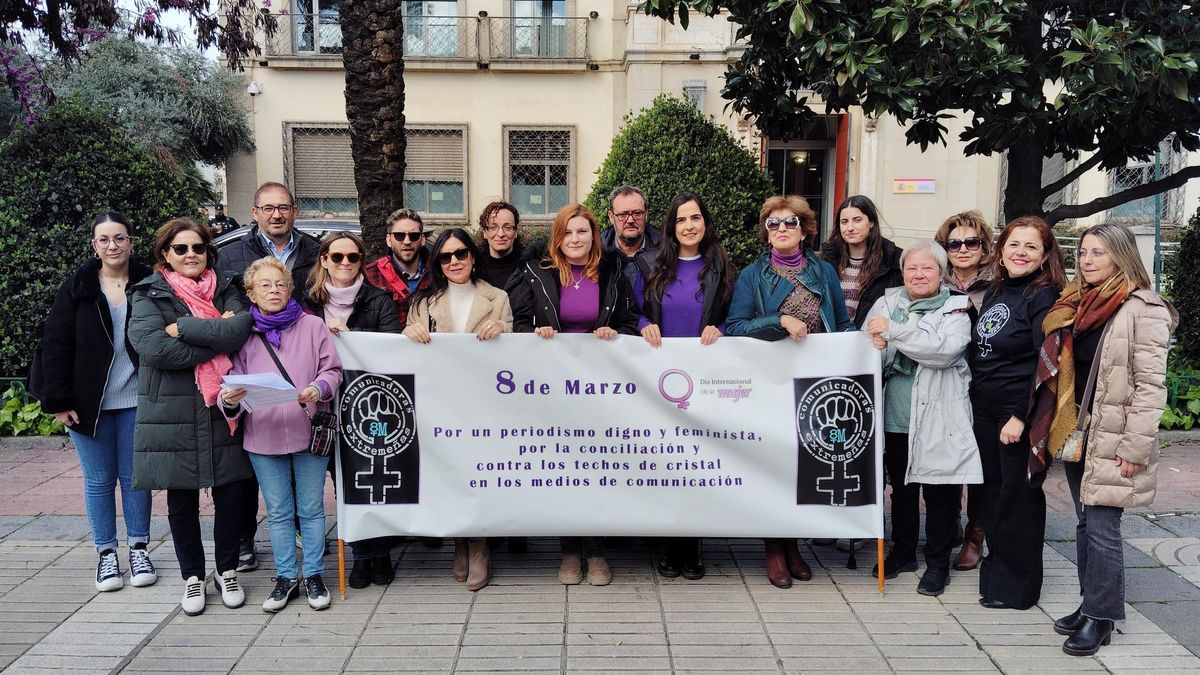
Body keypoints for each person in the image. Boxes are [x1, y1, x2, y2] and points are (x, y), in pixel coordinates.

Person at [1027, 224, 1175, 655]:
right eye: (1084, 252)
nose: (1087, 260)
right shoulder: (1077, 302)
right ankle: (1091, 604)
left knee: (1104, 528)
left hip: (1115, 435)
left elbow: (1151, 387)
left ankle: (1102, 618)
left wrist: (1134, 448)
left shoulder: (1144, 309)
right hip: (1078, 430)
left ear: (1122, 257)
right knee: (1086, 523)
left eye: (1098, 253)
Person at [726, 195, 855, 588]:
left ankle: (793, 543)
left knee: (803, 467)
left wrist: (867, 344)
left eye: (790, 222)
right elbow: (734, 326)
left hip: (815, 387)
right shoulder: (752, 275)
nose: (781, 229)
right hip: (770, 384)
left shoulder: (825, 272)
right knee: (773, 465)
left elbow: (842, 324)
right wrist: (779, 319)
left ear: (804, 229)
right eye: (773, 224)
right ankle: (773, 548)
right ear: (765, 231)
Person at [128, 218, 255, 616]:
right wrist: (215, 336)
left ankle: (227, 569)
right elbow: (154, 350)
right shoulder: (147, 292)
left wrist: (182, 327)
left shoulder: (229, 286)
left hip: (224, 406)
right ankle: (192, 577)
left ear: (208, 251)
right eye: (180, 249)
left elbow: (240, 331)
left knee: (233, 494)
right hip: (172, 412)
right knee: (180, 500)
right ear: (165, 254)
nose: (190, 255)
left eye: (197, 248)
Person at [509, 204, 639, 586]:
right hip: (555, 388)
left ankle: (597, 550)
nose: (575, 239)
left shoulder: (615, 273)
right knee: (564, 468)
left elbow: (630, 320)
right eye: (568, 233)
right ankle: (569, 549)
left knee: (598, 468)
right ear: (558, 238)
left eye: (582, 232)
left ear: (594, 236)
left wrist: (615, 333)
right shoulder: (538, 272)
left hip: (602, 390)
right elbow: (518, 321)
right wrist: (536, 333)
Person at [36, 212, 157, 592]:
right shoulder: (78, 287)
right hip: (88, 403)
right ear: (94, 245)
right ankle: (106, 554)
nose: (112, 246)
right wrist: (58, 400)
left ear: (131, 241)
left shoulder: (149, 282)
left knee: (135, 479)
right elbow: (55, 344)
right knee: (99, 481)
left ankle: (138, 547)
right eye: (104, 239)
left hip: (138, 397)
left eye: (119, 238)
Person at [221, 257, 343, 613]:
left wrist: (319, 388)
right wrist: (229, 399)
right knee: (277, 511)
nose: (273, 290)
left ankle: (315, 575)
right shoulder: (244, 334)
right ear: (251, 294)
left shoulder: (313, 326)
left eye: (280, 284)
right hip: (263, 435)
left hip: (308, 431)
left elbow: (332, 370)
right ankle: (286, 577)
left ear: (291, 290)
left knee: (311, 509)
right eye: (265, 285)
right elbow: (233, 382)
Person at [863, 239, 980, 596]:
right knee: (901, 489)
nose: (918, 274)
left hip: (939, 416)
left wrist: (893, 332)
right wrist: (877, 347)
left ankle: (938, 563)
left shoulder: (957, 308)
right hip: (894, 414)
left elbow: (942, 351)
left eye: (927, 268)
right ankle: (903, 552)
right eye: (911, 268)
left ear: (941, 273)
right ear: (902, 272)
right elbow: (865, 351)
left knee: (941, 492)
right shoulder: (886, 302)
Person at [217, 182, 321, 572]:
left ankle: (309, 565)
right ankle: (255, 546)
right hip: (257, 375)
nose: (276, 214)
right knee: (258, 488)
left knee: (307, 503)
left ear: (294, 210)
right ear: (255, 212)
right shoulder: (231, 253)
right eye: (267, 208)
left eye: (283, 207)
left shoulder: (314, 251)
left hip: (302, 377)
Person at [403, 228, 513, 591]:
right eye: (446, 257)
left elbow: (519, 347)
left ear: (472, 255)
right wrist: (409, 335)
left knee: (479, 474)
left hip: (484, 404)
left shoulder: (496, 297)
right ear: (437, 263)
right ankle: (459, 542)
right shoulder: (423, 303)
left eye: (461, 254)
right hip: (441, 402)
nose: (455, 262)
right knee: (450, 474)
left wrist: (504, 330)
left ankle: (479, 545)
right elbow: (406, 343)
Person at [631, 193, 733, 582]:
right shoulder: (651, 264)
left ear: (705, 222)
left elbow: (731, 314)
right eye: (680, 220)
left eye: (695, 218)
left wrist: (719, 329)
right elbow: (635, 310)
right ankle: (670, 547)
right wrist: (644, 325)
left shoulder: (719, 265)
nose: (689, 226)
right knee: (666, 463)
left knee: (696, 463)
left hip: (703, 379)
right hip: (660, 378)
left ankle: (691, 548)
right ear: (670, 227)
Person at [972, 215, 1066, 611]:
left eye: (1031, 246)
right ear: (1001, 250)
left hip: (1015, 411)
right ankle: (997, 575)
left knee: (1019, 496)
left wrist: (1018, 416)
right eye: (1014, 244)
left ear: (1045, 256)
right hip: (985, 407)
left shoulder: (1042, 295)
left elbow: (1042, 361)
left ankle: (1019, 588)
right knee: (992, 492)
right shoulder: (997, 290)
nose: (1020, 253)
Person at [302, 231, 402, 588]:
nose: (345, 263)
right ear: (324, 260)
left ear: (362, 260)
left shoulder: (379, 300)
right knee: (343, 480)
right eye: (337, 256)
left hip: (371, 406)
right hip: (326, 408)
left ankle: (381, 554)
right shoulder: (307, 302)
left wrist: (350, 334)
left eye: (353, 257)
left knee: (374, 476)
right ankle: (360, 555)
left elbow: (390, 347)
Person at [933, 210, 996, 572]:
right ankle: (953, 522)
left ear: (984, 246)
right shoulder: (937, 285)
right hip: (946, 382)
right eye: (953, 243)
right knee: (949, 451)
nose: (962, 248)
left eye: (970, 241)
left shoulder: (998, 285)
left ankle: (976, 533)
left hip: (984, 382)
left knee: (980, 461)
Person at [820, 195, 902, 327]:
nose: (850, 227)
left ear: (871, 222)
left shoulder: (894, 260)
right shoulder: (827, 259)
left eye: (857, 220)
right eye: (844, 222)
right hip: (832, 339)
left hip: (871, 341)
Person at [365, 208, 434, 326]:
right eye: (399, 236)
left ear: (422, 240)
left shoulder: (438, 271)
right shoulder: (370, 275)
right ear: (388, 240)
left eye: (414, 236)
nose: (407, 241)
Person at [599, 185, 661, 267]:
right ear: (611, 217)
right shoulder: (597, 253)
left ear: (646, 214)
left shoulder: (664, 251)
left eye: (637, 213)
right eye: (622, 214)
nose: (630, 220)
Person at [477, 201, 528, 290]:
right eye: (493, 227)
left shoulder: (529, 266)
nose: (501, 234)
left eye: (507, 228)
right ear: (485, 232)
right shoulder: (473, 267)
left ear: (515, 232)